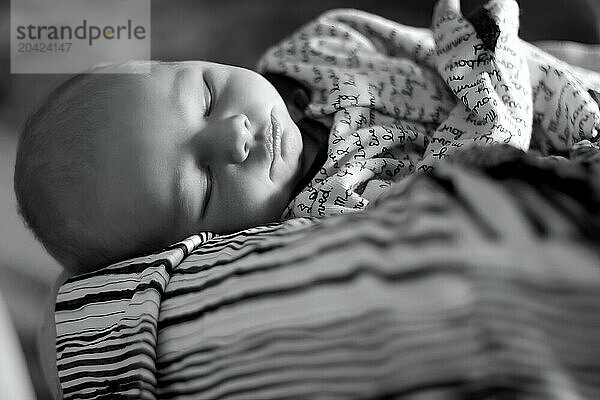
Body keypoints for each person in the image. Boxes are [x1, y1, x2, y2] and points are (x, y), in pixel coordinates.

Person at [14, 0, 600, 276]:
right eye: (203, 183)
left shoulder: (317, 48)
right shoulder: (330, 219)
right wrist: (481, 51)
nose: (234, 136)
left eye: (209, 98)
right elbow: (467, 183)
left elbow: (419, 45)